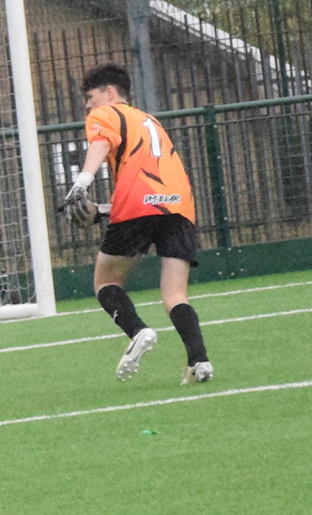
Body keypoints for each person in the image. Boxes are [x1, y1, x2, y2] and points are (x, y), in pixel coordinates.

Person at [57, 63, 214, 384]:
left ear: (110, 93)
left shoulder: (106, 114)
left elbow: (100, 145)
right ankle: (200, 362)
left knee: (105, 283)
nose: (87, 105)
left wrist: (82, 182)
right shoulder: (150, 121)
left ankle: (138, 331)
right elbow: (148, 181)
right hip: (179, 205)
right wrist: (101, 210)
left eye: (90, 96)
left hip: (139, 205)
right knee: (175, 295)